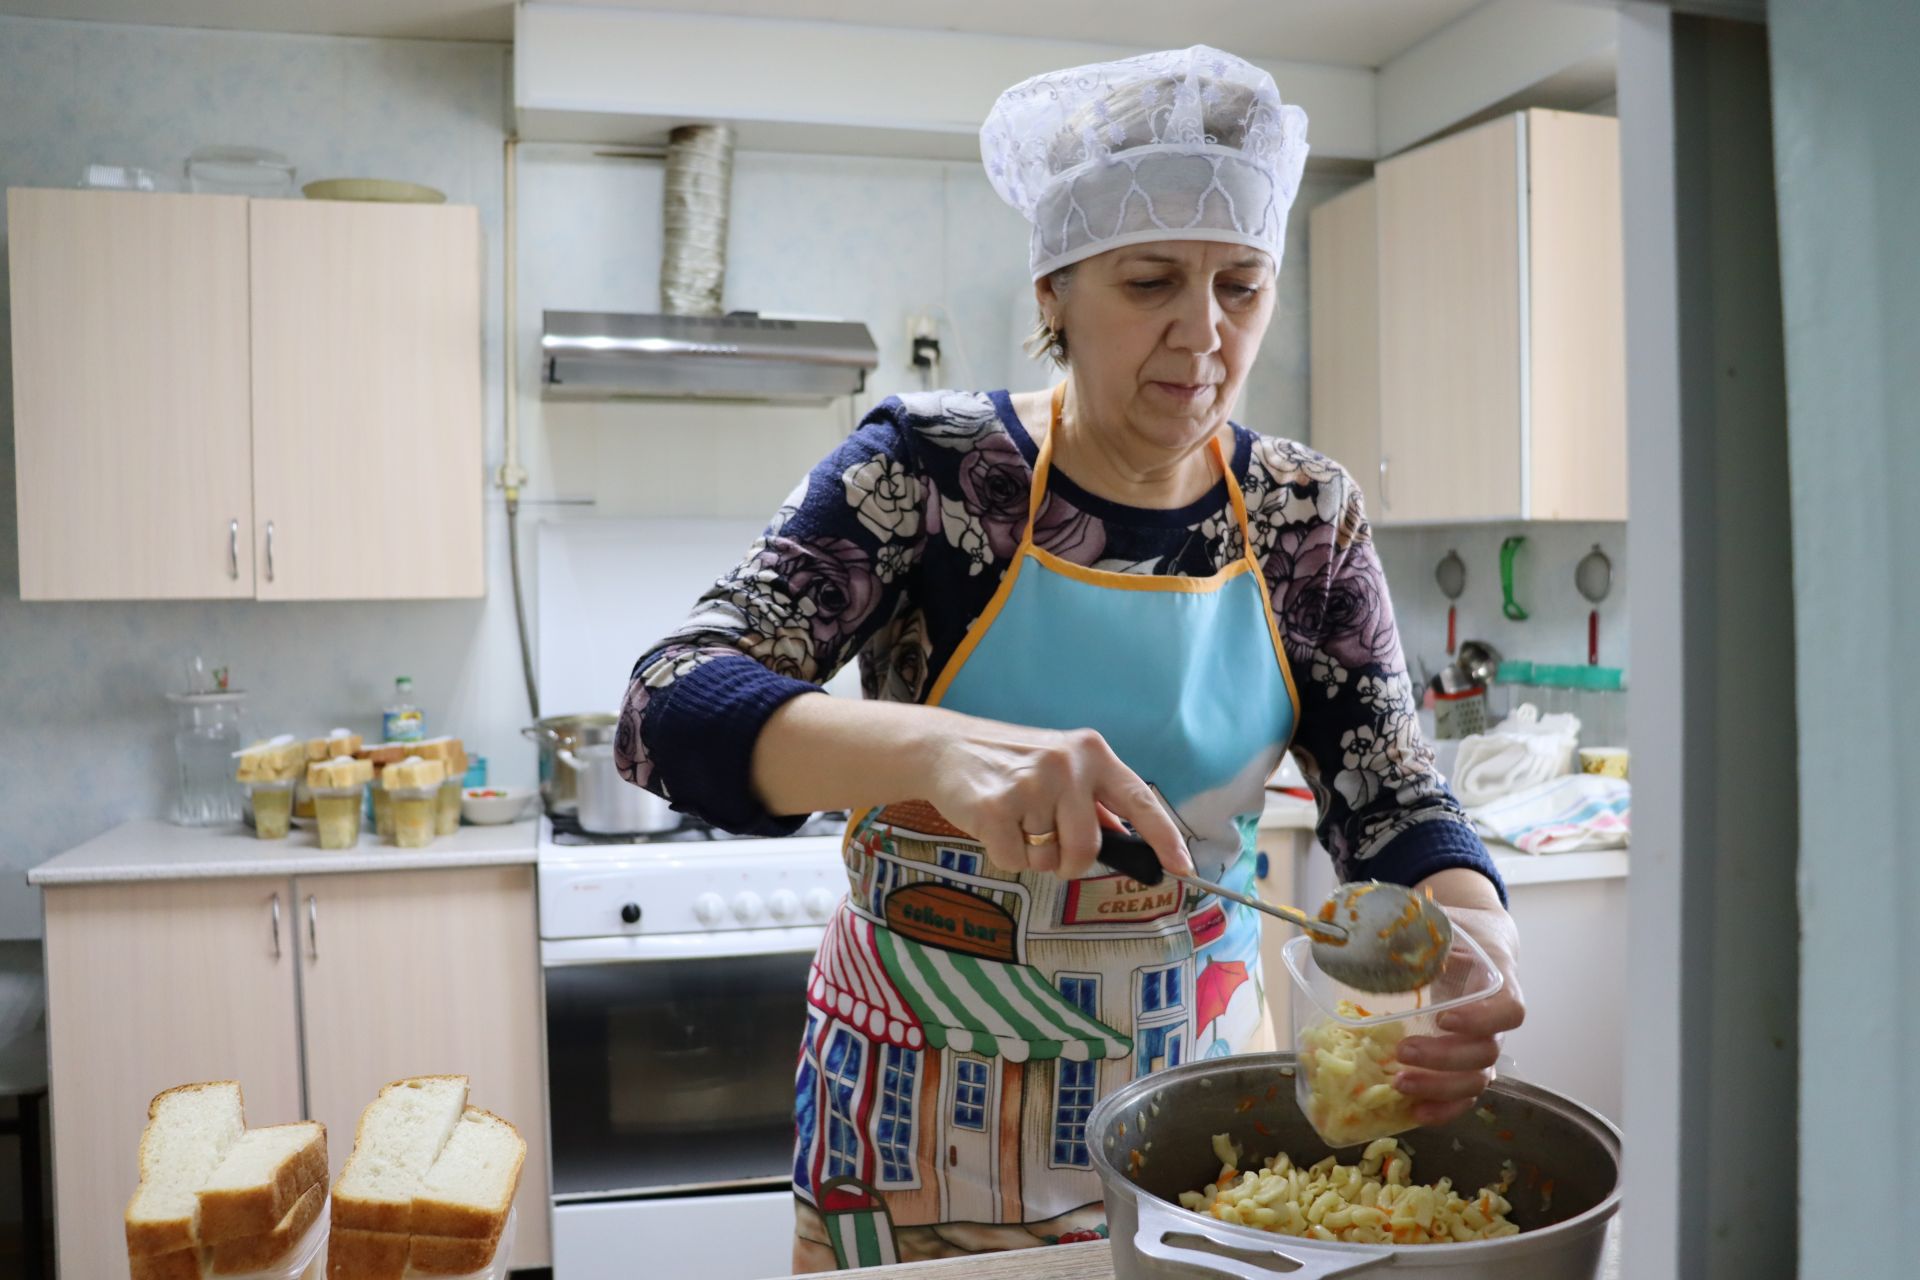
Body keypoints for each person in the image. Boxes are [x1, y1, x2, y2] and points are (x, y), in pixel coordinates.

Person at [616, 44, 1525, 1272]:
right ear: (1053, 289)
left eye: (1243, 286)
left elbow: (1395, 795)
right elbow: (667, 702)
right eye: (1151, 279)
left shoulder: (1305, 512)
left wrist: (1475, 941)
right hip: (918, 1108)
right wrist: (943, 751)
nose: (1203, 333)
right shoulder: (932, 474)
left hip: (1204, 1109)